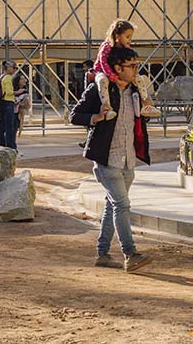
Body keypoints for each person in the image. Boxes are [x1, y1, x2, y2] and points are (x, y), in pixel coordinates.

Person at [71, 45, 152, 272]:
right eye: (132, 66)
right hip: (107, 159)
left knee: (112, 205)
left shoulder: (136, 90)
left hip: (128, 159)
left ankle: (102, 253)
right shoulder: (101, 90)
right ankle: (130, 253)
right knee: (122, 204)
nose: (136, 69)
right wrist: (96, 117)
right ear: (118, 68)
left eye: (137, 65)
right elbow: (75, 115)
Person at [94, 20, 159, 118]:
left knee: (140, 79)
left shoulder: (126, 47)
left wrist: (133, 71)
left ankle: (146, 103)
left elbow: (131, 59)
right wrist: (115, 78)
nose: (129, 40)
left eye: (131, 37)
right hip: (102, 71)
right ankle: (107, 107)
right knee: (102, 81)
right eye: (127, 37)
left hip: (119, 72)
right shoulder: (106, 46)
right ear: (117, 35)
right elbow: (104, 64)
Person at [0, 59, 19, 151]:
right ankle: (11, 147)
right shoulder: (8, 78)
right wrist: (17, 92)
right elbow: (8, 92)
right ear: (8, 67)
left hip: (2, 103)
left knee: (2, 127)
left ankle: (1, 145)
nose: (14, 70)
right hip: (8, 103)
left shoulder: (2, 76)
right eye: (14, 68)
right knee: (10, 127)